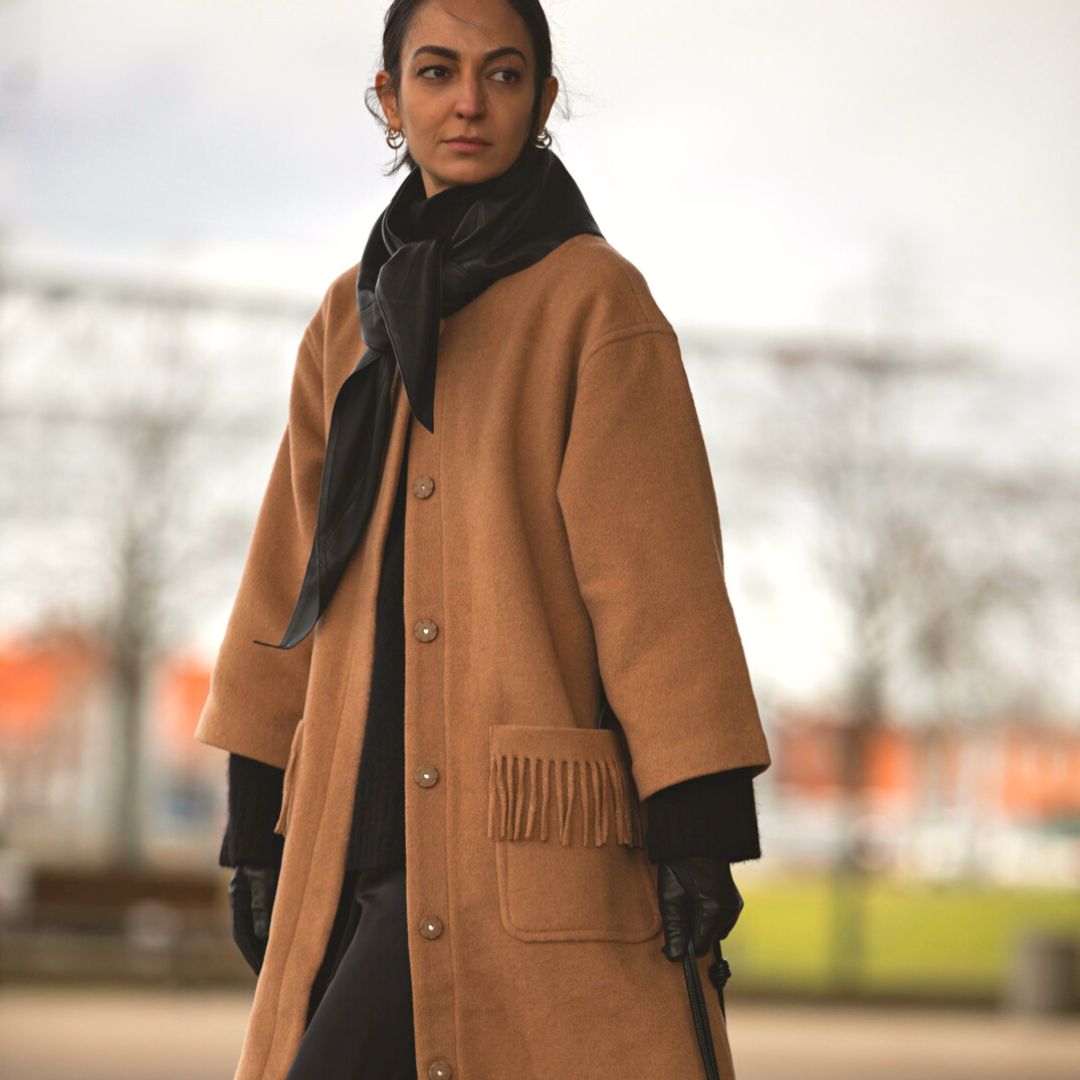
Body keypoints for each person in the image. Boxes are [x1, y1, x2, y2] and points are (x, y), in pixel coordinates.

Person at [196, 1, 772, 1078]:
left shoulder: (596, 304)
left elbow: (653, 579)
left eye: (504, 75)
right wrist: (255, 817)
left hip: (513, 838)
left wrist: (698, 822)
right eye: (437, 71)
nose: (469, 101)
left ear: (543, 102)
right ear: (389, 99)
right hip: (350, 825)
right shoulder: (347, 317)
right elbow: (287, 569)